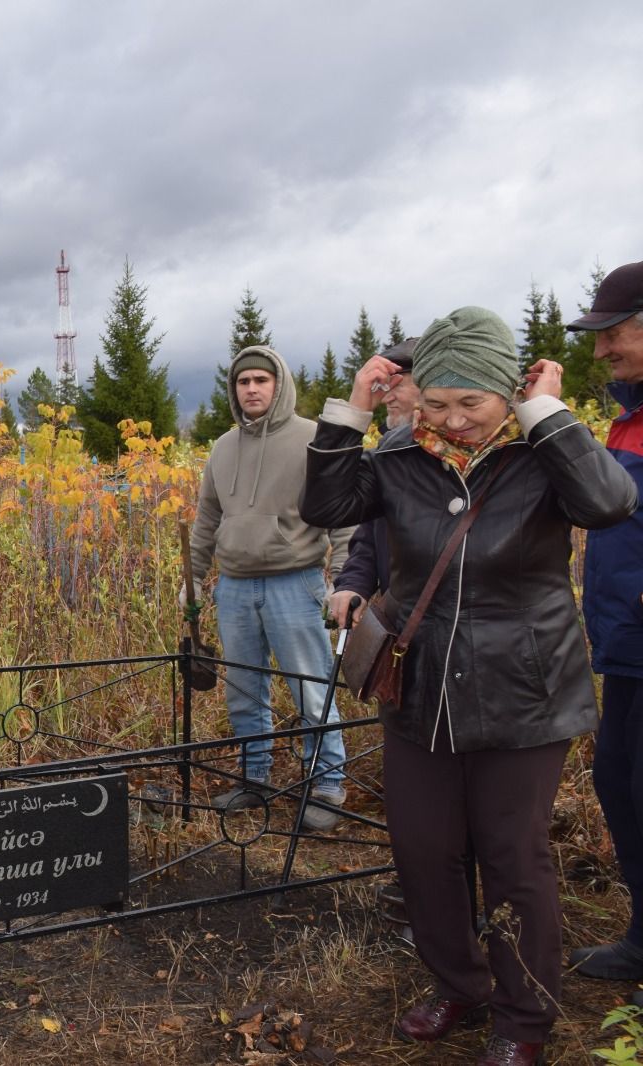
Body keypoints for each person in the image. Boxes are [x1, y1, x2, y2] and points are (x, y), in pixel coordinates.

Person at [303, 306, 636, 1066]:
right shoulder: (396, 456)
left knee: (513, 858)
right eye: (436, 404)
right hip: (419, 688)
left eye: (471, 404)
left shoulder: (544, 454)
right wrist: (352, 408)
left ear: (506, 395)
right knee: (424, 849)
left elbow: (611, 504)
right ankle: (463, 983)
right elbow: (323, 507)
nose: (451, 421)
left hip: (525, 689)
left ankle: (524, 1019)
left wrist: (546, 411)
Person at [187, 346, 352, 830]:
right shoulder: (222, 447)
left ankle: (325, 783)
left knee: (310, 688)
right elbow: (206, 521)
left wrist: (344, 580)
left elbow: (342, 518)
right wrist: (194, 579)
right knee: (243, 687)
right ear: (234, 389)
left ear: (279, 385)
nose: (252, 389)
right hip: (234, 587)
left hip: (294, 583)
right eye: (243, 382)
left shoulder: (313, 440)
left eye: (261, 379)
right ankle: (254, 779)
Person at [564, 260, 643, 982]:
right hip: (625, 644)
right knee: (619, 782)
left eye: (612, 333)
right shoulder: (626, 420)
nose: (600, 351)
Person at [328, 337, 418, 629]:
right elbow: (368, 537)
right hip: (399, 621)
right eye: (384, 387)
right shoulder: (386, 457)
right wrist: (353, 583)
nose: (386, 398)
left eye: (397, 386)